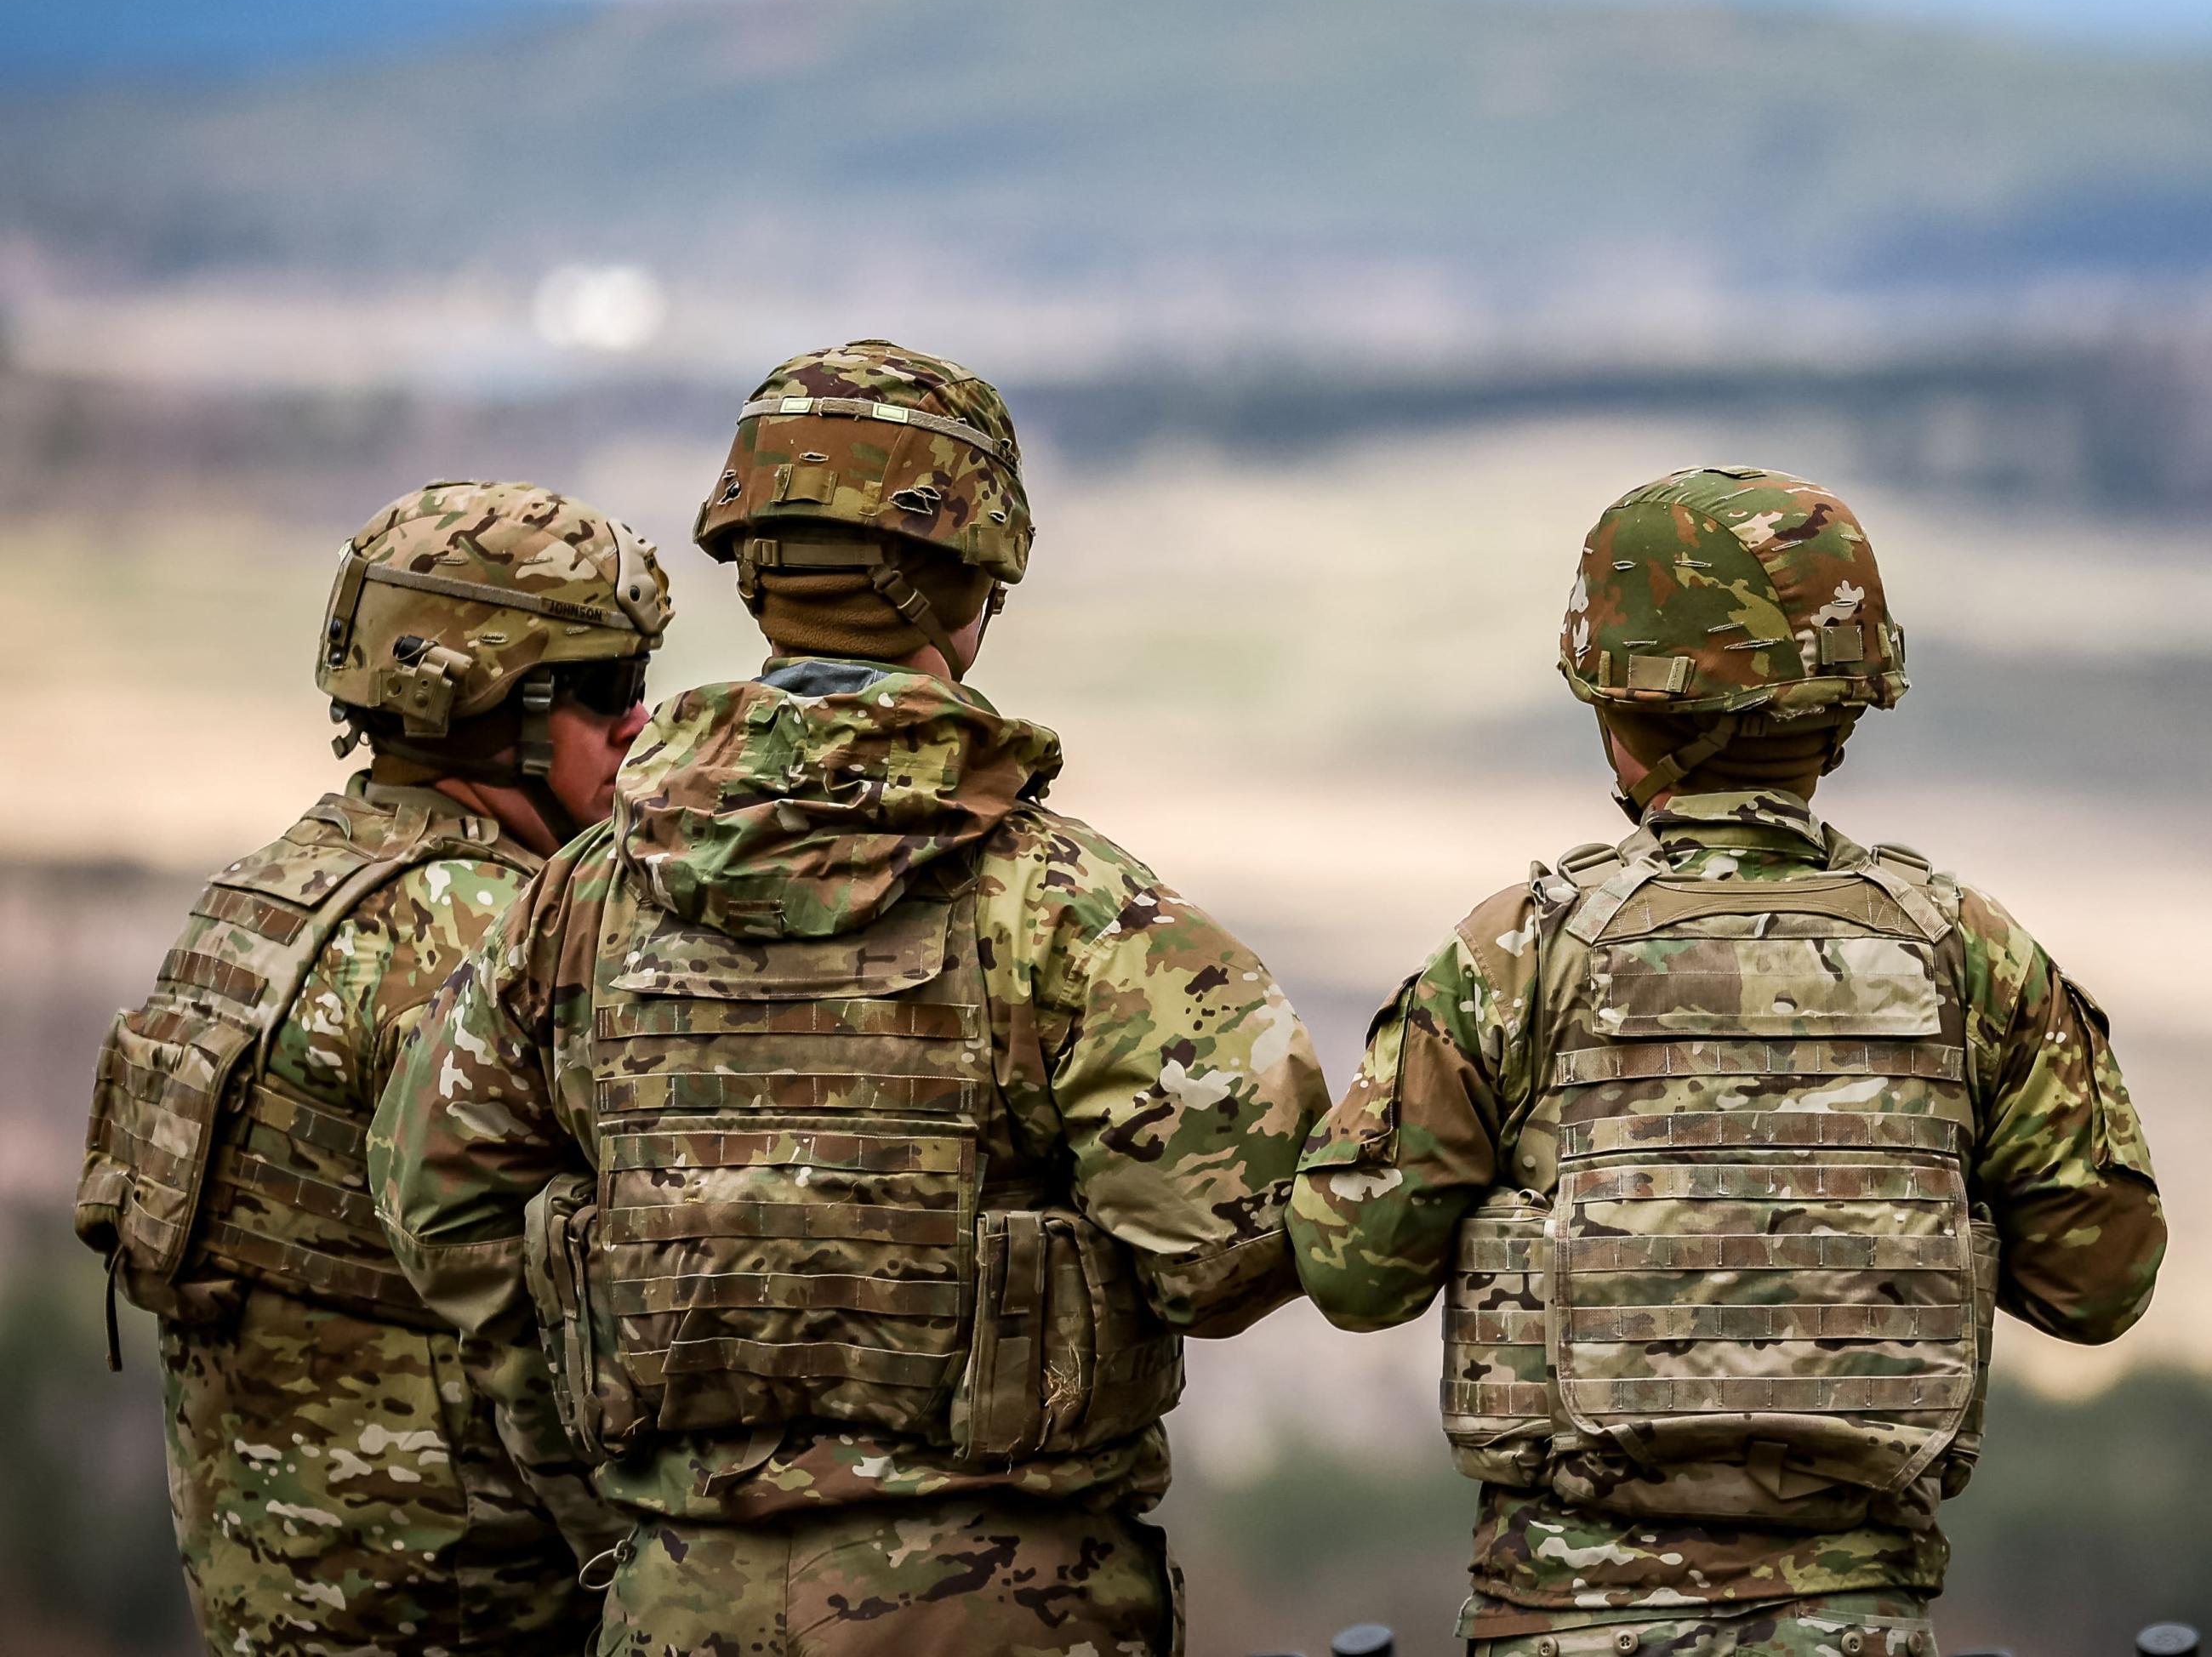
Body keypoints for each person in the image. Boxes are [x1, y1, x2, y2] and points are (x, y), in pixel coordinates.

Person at [370, 339, 1328, 1657]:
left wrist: (603, 1468)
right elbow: (1243, 1250)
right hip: (1012, 1611)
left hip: (677, 1601)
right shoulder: (1079, 910)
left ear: (752, 567)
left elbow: (436, 1198)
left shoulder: (574, 901)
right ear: (977, 583)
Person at [1291, 465, 2165, 1657]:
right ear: (1849, 707)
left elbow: (1353, 1271)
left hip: (1564, 1623)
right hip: (1861, 1624)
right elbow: (2100, 1282)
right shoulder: (1974, 956)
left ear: (1613, 698)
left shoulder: (1520, 952)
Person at [77, 478, 670, 1655]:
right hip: (460, 1598)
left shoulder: (257, 894)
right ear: (494, 705)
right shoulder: (503, 937)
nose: (638, 726)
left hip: (272, 1584)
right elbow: (572, 1338)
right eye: (606, 691)